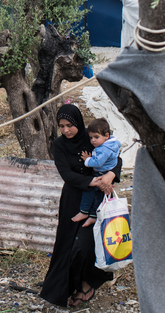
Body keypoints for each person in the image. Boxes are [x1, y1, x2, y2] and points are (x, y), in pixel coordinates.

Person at [40, 104, 122, 308]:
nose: (66, 130)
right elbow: (66, 174)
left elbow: (115, 158)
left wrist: (111, 174)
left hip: (97, 200)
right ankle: (64, 289)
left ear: (78, 123)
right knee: (68, 247)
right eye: (62, 126)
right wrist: (92, 181)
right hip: (73, 200)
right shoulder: (59, 145)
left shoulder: (91, 136)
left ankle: (88, 283)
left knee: (87, 246)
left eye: (70, 125)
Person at [72, 118, 121, 227]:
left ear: (106, 136)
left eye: (96, 137)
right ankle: (94, 215)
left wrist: (87, 160)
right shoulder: (111, 145)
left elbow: (98, 162)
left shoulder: (104, 148)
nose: (93, 140)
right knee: (99, 195)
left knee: (89, 190)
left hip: (101, 173)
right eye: (91, 138)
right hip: (105, 172)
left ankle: (84, 211)